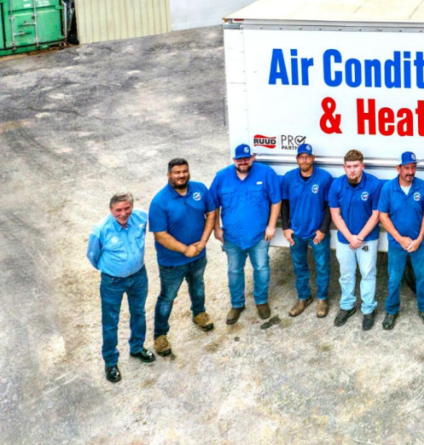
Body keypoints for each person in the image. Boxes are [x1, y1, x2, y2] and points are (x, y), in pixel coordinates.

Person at [149, 158, 216, 358]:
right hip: (172, 262)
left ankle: (199, 313)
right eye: (177, 172)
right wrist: (185, 249)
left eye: (184, 171)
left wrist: (203, 241)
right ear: (169, 175)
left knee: (198, 286)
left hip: (198, 255)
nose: (181, 175)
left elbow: (211, 213)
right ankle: (160, 335)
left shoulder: (200, 189)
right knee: (167, 297)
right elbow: (160, 235)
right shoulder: (160, 201)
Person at [208, 143, 282, 325]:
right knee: (234, 271)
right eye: (239, 159)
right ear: (234, 159)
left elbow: (276, 200)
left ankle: (261, 301)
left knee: (261, 268)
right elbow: (212, 205)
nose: (243, 162)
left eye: (246, 158)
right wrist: (216, 228)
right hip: (232, 237)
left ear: (252, 158)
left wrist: (271, 226)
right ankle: (237, 304)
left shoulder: (266, 173)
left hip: (258, 236)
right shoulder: (222, 176)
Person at [87, 192, 155, 383]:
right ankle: (110, 361)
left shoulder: (141, 217)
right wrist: (111, 269)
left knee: (139, 313)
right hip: (112, 282)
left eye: (127, 208)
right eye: (118, 210)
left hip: (139, 277)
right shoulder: (101, 229)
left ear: (132, 207)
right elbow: (93, 256)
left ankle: (137, 348)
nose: (123, 213)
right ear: (111, 210)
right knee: (110, 322)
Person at [378, 151, 424, 330]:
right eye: (407, 168)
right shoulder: (388, 188)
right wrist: (400, 239)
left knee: (422, 277)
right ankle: (391, 310)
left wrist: (419, 238)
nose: (411, 171)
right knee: (394, 279)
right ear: (398, 168)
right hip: (397, 244)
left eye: (413, 167)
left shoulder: (422, 186)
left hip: (419, 243)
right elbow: (383, 216)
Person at [329, 149, 382, 330]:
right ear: (344, 168)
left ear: (362, 166)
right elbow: (335, 215)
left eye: (356, 166)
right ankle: (347, 306)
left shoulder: (374, 184)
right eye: (349, 167)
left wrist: (359, 237)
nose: (352, 170)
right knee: (346, 274)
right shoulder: (337, 185)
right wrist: (350, 237)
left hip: (367, 239)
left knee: (368, 274)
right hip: (345, 239)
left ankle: (368, 309)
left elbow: (376, 215)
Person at [281, 143, 334, 320]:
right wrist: (286, 228)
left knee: (322, 266)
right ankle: (303, 297)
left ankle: (322, 298)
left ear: (313, 158)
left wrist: (323, 229)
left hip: (317, 233)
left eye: (307, 156)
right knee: (299, 266)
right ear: (297, 159)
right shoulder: (289, 178)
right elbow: (285, 203)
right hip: (296, 232)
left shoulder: (325, 178)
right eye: (301, 157)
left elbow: (330, 206)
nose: (304, 160)